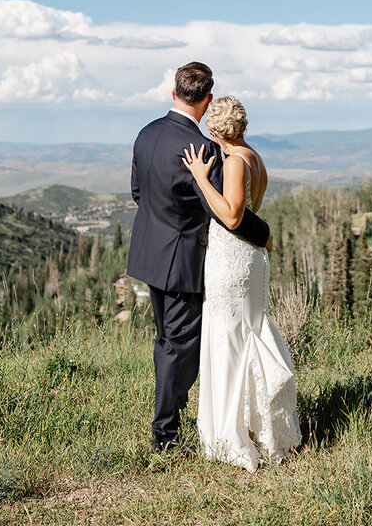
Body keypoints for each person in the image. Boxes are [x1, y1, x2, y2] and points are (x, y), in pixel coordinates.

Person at [126, 62, 272, 453]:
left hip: (148, 254)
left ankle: (173, 414)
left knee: (166, 341)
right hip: (184, 260)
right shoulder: (203, 149)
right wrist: (265, 234)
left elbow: (139, 193)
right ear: (207, 101)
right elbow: (229, 217)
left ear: (174, 93)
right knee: (180, 347)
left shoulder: (145, 134)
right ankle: (165, 435)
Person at [182, 95, 302, 470]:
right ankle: (262, 427)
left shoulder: (234, 162)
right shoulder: (256, 158)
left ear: (217, 132)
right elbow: (252, 211)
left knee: (228, 339)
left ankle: (233, 433)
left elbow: (233, 217)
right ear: (244, 126)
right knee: (249, 333)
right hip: (252, 259)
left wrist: (202, 179)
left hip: (231, 259)